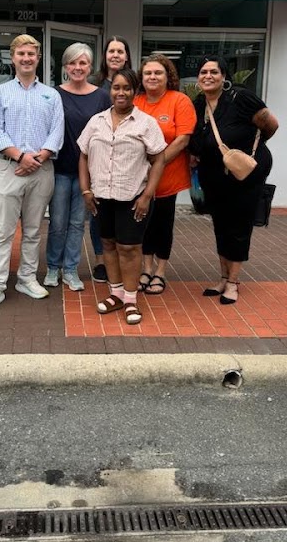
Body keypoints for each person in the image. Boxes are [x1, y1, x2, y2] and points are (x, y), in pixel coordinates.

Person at [0, 34, 64, 312]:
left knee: (33, 230)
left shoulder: (51, 95)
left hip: (42, 169)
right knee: (3, 231)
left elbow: (57, 131)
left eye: (31, 54)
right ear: (12, 58)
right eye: (21, 54)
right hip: (9, 168)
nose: (26, 58)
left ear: (38, 58)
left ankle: (27, 279)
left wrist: (38, 158)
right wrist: (21, 157)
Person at [78, 69, 166, 325]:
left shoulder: (146, 123)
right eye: (116, 87)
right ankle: (115, 294)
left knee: (129, 248)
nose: (121, 92)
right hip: (102, 197)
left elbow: (159, 159)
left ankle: (130, 299)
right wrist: (85, 190)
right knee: (108, 244)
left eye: (127, 88)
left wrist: (147, 195)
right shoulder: (96, 121)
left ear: (135, 91)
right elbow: (83, 155)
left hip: (133, 197)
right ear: (110, 90)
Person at [189, 56, 279, 305]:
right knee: (221, 225)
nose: (208, 76)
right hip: (214, 175)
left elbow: (271, 125)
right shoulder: (199, 104)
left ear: (224, 76)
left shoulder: (241, 98)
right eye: (203, 72)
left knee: (239, 226)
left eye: (214, 72)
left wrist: (248, 150)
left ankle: (233, 282)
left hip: (245, 174)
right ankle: (222, 277)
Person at [44, 43, 111, 292]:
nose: (77, 67)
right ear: (65, 66)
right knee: (57, 223)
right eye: (72, 62)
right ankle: (53, 267)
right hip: (60, 169)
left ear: (90, 66)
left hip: (88, 173)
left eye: (82, 62)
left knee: (76, 224)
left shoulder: (102, 97)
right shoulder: (54, 94)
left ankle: (70, 270)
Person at [134, 53, 197, 295]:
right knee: (143, 224)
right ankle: (146, 269)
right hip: (139, 178)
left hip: (168, 177)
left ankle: (160, 271)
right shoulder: (136, 101)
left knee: (162, 224)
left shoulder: (179, 101)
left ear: (167, 76)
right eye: (148, 73)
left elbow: (182, 139)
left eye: (158, 72)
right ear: (142, 77)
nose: (152, 77)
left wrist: (155, 165)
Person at [89, 36, 133, 283]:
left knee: (123, 213)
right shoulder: (93, 83)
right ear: (104, 56)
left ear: (126, 56)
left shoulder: (134, 82)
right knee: (99, 212)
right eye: (111, 51)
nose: (115, 55)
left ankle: (121, 260)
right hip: (99, 157)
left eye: (120, 51)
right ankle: (101, 261)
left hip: (125, 159)